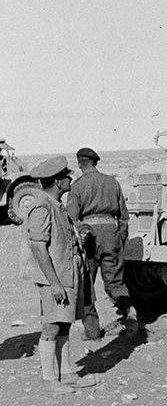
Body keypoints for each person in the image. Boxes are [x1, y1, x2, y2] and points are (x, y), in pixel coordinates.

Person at [23, 156, 96, 393]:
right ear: (57, 181)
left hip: (67, 274)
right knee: (52, 327)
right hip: (55, 278)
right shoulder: (42, 207)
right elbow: (38, 247)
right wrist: (54, 284)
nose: (70, 179)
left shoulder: (56, 205)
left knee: (64, 325)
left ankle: (67, 374)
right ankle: (49, 380)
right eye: (66, 176)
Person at [66, 147, 137, 338]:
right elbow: (123, 216)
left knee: (85, 285)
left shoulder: (78, 186)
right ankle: (130, 314)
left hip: (89, 237)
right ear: (95, 163)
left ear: (80, 164)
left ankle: (92, 332)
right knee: (115, 283)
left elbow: (71, 219)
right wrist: (120, 239)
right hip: (111, 234)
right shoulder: (112, 182)